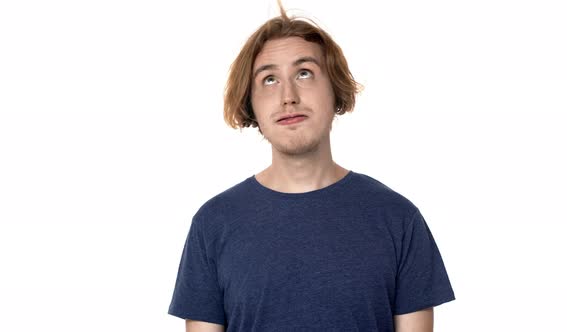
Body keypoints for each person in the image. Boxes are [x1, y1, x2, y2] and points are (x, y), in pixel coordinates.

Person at [168, 4, 455, 332]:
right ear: (250, 104)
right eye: (270, 79)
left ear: (335, 89)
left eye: (304, 73)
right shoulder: (213, 224)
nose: (288, 96)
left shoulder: (399, 220)